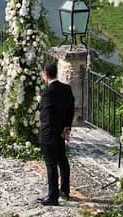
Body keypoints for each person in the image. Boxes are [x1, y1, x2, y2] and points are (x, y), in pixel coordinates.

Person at [37, 61, 75, 206]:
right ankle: (65, 190)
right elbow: (70, 109)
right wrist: (66, 128)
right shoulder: (66, 88)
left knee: (51, 165)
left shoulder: (47, 93)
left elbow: (46, 116)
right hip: (61, 133)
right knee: (62, 160)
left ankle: (53, 196)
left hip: (49, 134)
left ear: (45, 74)